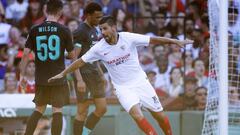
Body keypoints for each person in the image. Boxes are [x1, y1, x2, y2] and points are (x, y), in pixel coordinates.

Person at [49, 16, 193, 135]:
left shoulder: (128, 38)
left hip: (141, 82)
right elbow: (80, 61)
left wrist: (174, 41)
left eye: (105, 28)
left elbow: (153, 40)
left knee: (160, 117)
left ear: (114, 27)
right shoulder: (99, 48)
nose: (102, 32)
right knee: (137, 115)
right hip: (122, 88)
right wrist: (62, 73)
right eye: (100, 29)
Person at [20, 0, 75, 135]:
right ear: (60, 12)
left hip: (41, 77)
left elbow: (26, 54)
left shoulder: (34, 29)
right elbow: (73, 56)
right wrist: (65, 55)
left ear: (46, 11)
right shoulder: (64, 30)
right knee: (57, 110)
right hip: (58, 77)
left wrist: (22, 75)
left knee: (39, 109)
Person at [71, 2, 107, 135]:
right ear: (88, 15)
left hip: (94, 74)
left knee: (102, 108)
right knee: (82, 111)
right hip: (83, 75)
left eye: (100, 17)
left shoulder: (94, 29)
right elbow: (74, 58)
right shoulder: (80, 31)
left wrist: (101, 74)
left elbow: (94, 54)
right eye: (97, 17)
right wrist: (79, 80)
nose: (99, 20)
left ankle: (85, 133)